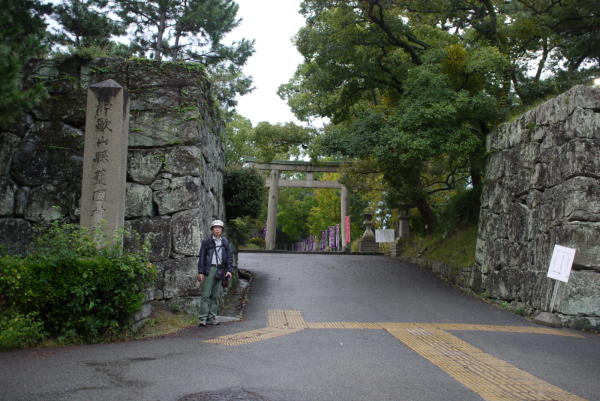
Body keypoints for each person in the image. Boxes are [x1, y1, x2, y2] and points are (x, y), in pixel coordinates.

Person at [197, 219, 233, 327]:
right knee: (205, 294)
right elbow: (202, 257)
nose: (217, 230)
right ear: (212, 230)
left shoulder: (225, 242)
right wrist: (201, 272)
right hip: (210, 269)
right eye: (215, 228)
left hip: (220, 270)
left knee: (216, 295)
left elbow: (229, 257)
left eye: (219, 228)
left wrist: (229, 270)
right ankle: (203, 318)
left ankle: (212, 317)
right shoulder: (206, 241)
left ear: (222, 230)